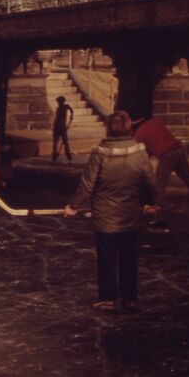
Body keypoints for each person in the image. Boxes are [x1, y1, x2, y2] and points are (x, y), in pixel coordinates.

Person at [64, 111, 156, 313]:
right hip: (130, 215)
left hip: (105, 217)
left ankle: (108, 298)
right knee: (129, 258)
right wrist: (149, 202)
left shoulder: (100, 152)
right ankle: (130, 298)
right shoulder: (140, 151)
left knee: (107, 260)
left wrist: (73, 205)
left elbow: (87, 184)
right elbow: (149, 180)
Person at [133, 117, 189, 229]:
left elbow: (143, 155)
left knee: (158, 189)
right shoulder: (154, 121)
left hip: (166, 156)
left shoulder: (138, 135)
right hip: (179, 150)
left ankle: (162, 219)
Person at [52, 96, 74, 163]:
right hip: (59, 126)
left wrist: (71, 115)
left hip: (59, 126)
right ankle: (56, 156)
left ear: (61, 101)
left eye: (58, 102)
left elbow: (71, 110)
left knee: (61, 142)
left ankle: (67, 157)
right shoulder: (61, 108)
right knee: (59, 142)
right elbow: (71, 110)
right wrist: (71, 115)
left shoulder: (63, 107)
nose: (58, 103)